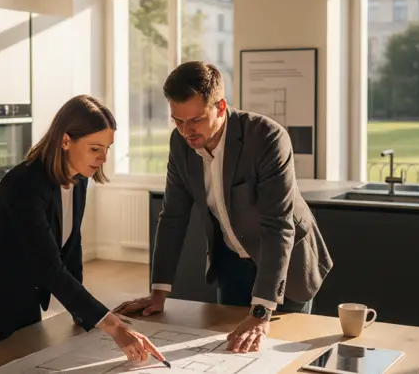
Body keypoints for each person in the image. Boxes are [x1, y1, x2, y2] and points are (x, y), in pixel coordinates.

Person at [114, 61, 333, 354]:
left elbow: (278, 225)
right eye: (177, 121)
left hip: (285, 263)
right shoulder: (181, 145)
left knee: (281, 354)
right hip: (231, 263)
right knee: (229, 353)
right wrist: (158, 292)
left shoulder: (267, 137)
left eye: (195, 120)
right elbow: (173, 217)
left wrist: (260, 312)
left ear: (220, 107)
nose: (186, 131)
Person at [0, 94, 165, 365]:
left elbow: (71, 246)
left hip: (23, 300)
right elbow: (48, 266)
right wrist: (115, 327)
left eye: (107, 148)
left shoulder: (80, 179)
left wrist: (81, 313)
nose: (103, 158)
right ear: (65, 141)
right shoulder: (24, 185)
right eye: (95, 148)